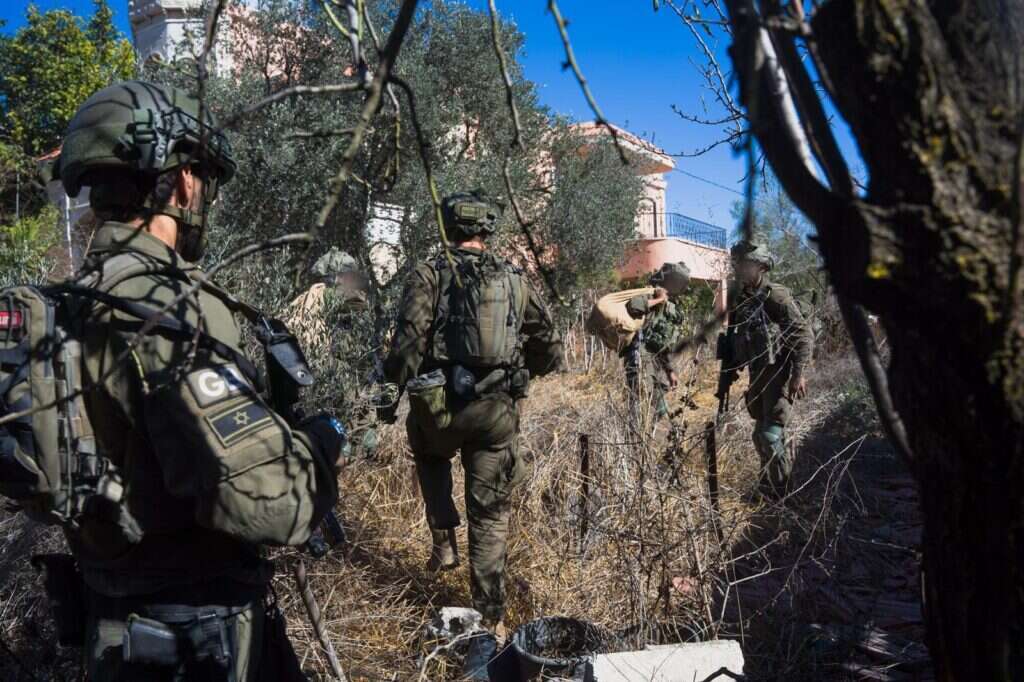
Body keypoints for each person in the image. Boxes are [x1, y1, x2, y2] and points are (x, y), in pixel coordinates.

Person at [50, 80, 344, 681]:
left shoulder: (72, 300)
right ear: (184, 181)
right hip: (191, 638)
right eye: (202, 177)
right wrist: (318, 446)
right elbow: (271, 502)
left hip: (113, 614)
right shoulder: (161, 305)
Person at [380, 190, 563, 635]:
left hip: (440, 411)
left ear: (448, 228)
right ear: (487, 229)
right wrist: (523, 374)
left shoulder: (429, 274)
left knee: (427, 452)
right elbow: (550, 346)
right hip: (495, 414)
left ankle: (443, 537)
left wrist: (388, 396)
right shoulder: (515, 281)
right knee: (491, 515)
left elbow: (407, 343)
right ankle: (491, 613)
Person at [727, 240, 813, 497]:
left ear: (762, 266)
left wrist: (798, 375)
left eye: (746, 264)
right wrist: (729, 370)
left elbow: (804, 336)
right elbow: (734, 337)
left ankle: (782, 494)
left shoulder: (775, 295)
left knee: (771, 434)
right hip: (757, 373)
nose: (740, 269)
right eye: (738, 263)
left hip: (779, 374)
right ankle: (766, 488)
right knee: (759, 435)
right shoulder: (741, 297)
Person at [621, 261, 692, 423]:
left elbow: (661, 343)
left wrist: (670, 371)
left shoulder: (671, 306)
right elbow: (633, 306)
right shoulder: (651, 293)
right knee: (639, 409)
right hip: (639, 359)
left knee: (658, 410)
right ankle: (634, 443)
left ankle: (650, 441)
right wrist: (658, 300)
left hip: (655, 364)